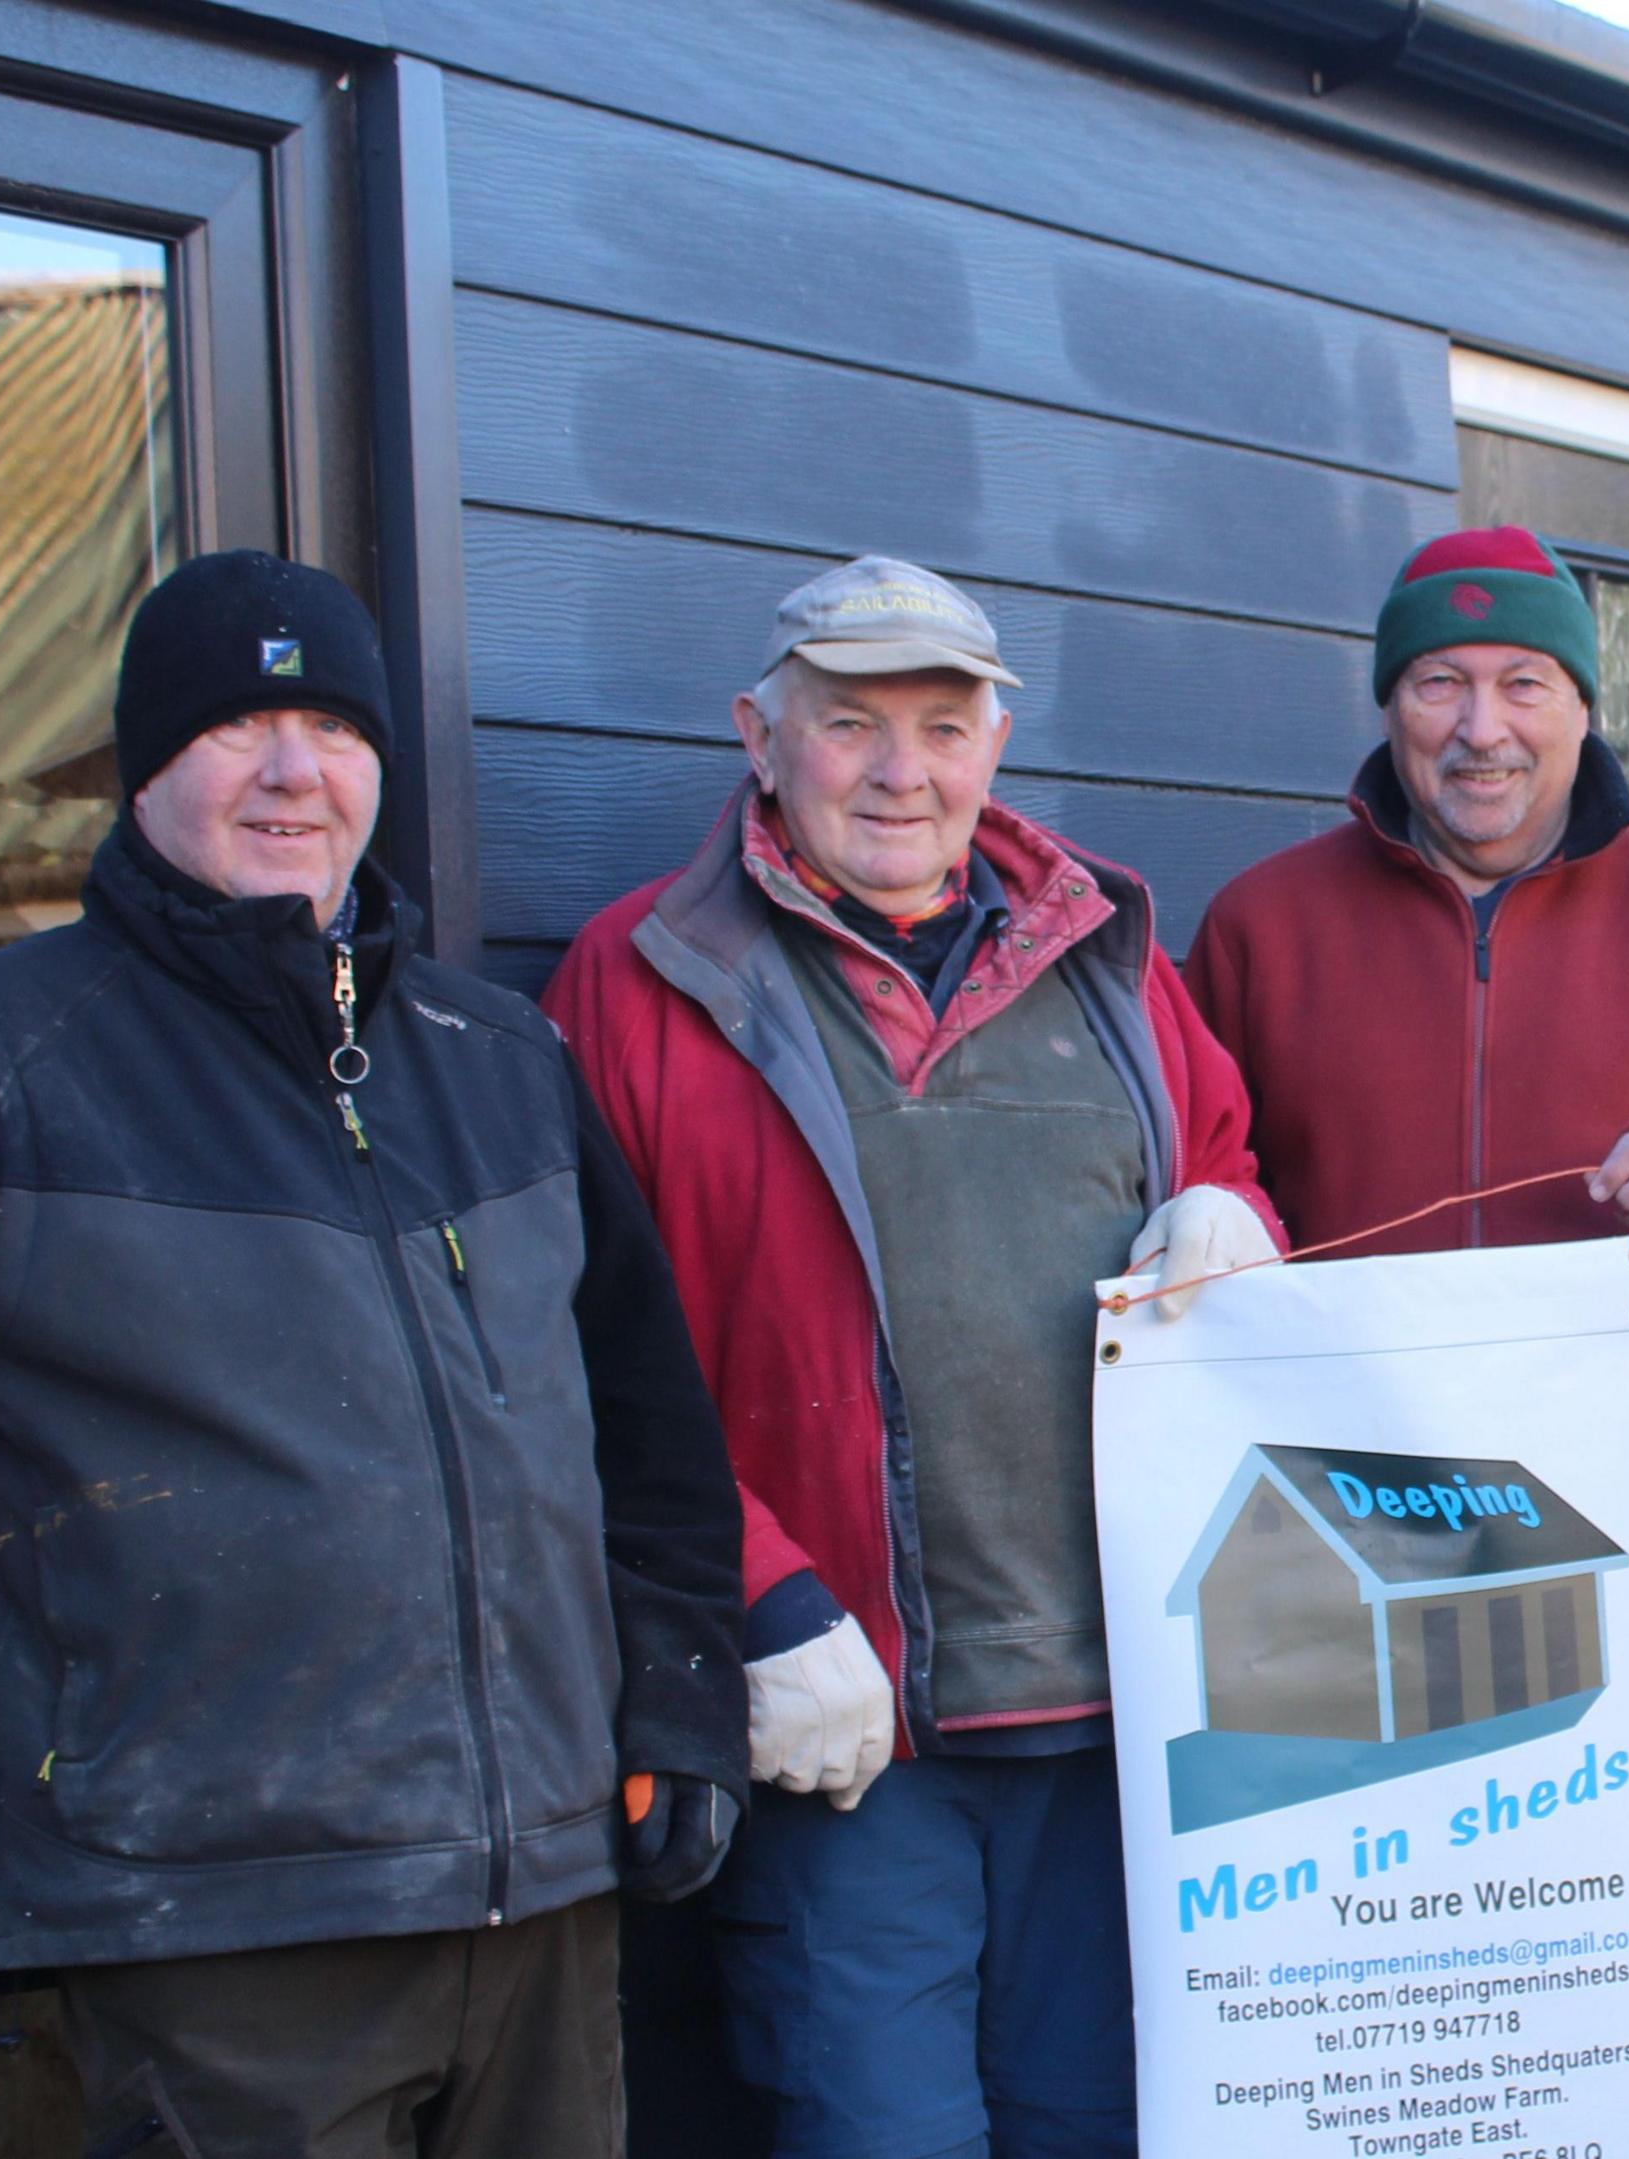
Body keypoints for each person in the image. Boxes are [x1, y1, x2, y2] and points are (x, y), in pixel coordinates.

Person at [0, 550, 747, 2156]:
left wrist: (686, 1701)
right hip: (222, 1923)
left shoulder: (499, 1057)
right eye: (239, 727)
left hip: (541, 1897)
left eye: (334, 728)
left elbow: (648, 1431)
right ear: (148, 771)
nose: (295, 770)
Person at [545, 556, 1276, 2159]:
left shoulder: (1111, 952)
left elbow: (1219, 1149)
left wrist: (1230, 1210)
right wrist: (756, 1597)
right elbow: (581, 1350)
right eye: (849, 723)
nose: (901, 771)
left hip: (1108, 1724)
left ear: (996, 744)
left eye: (943, 726)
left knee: (1101, 2130)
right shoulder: (646, 975)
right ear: (759, 733)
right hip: (845, 1738)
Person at [1186, 527, 1629, 2159]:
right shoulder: (1262, 928)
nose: (1479, 724)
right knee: (1429, 2043)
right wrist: (1208, 1210)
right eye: (1438, 682)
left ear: (1584, 707)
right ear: (1388, 708)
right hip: (1373, 1565)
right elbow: (1200, 1167)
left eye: (1523, 682)